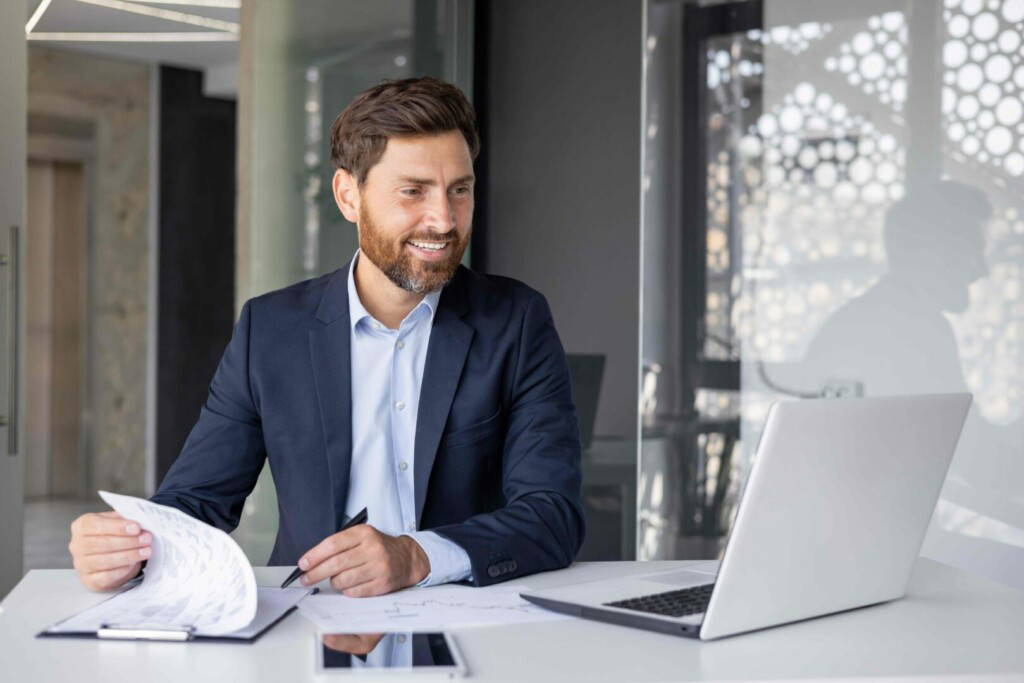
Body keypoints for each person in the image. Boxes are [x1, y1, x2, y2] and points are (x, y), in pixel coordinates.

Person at [68, 77, 585, 596]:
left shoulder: (515, 321)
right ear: (347, 196)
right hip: (311, 615)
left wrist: (417, 556)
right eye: (413, 191)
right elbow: (199, 501)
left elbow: (552, 514)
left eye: (460, 190)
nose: (443, 220)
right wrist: (131, 548)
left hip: (465, 614)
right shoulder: (270, 331)